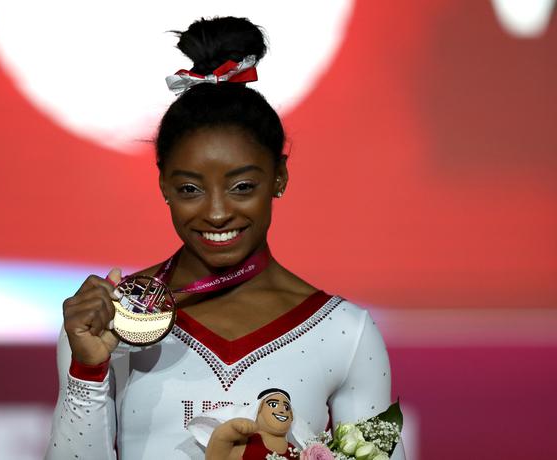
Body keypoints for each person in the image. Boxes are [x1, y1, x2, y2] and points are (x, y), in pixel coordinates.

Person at [45, 16, 406, 460]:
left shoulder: (344, 332)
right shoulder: (107, 323)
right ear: (163, 186)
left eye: (242, 187)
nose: (216, 213)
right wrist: (88, 368)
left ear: (279, 177)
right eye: (190, 189)